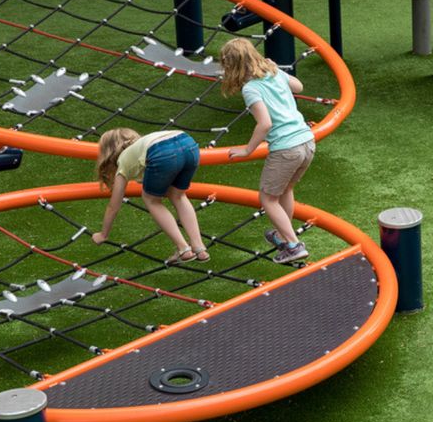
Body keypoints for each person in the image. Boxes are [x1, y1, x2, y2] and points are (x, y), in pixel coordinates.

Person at [219, 38, 315, 264]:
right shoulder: (274, 73)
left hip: (286, 147)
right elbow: (298, 87)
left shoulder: (251, 89)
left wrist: (247, 150)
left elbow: (265, 123)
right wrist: (277, 69)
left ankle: (293, 245)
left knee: (268, 198)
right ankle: (282, 235)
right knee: (285, 189)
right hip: (307, 142)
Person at [92, 127, 208, 265]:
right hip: (187, 142)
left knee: (151, 200)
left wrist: (103, 234)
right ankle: (199, 247)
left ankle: (183, 248)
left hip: (162, 151)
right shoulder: (142, 145)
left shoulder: (123, 160)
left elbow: (114, 205)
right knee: (178, 196)